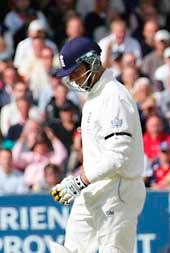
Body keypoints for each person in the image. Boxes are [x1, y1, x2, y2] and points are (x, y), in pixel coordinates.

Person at [50, 37, 146, 253]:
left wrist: (79, 181)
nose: (73, 78)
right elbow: (99, 154)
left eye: (76, 71)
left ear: (92, 62)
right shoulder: (94, 97)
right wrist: (77, 179)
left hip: (118, 190)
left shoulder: (114, 96)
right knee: (71, 249)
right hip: (94, 187)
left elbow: (117, 156)